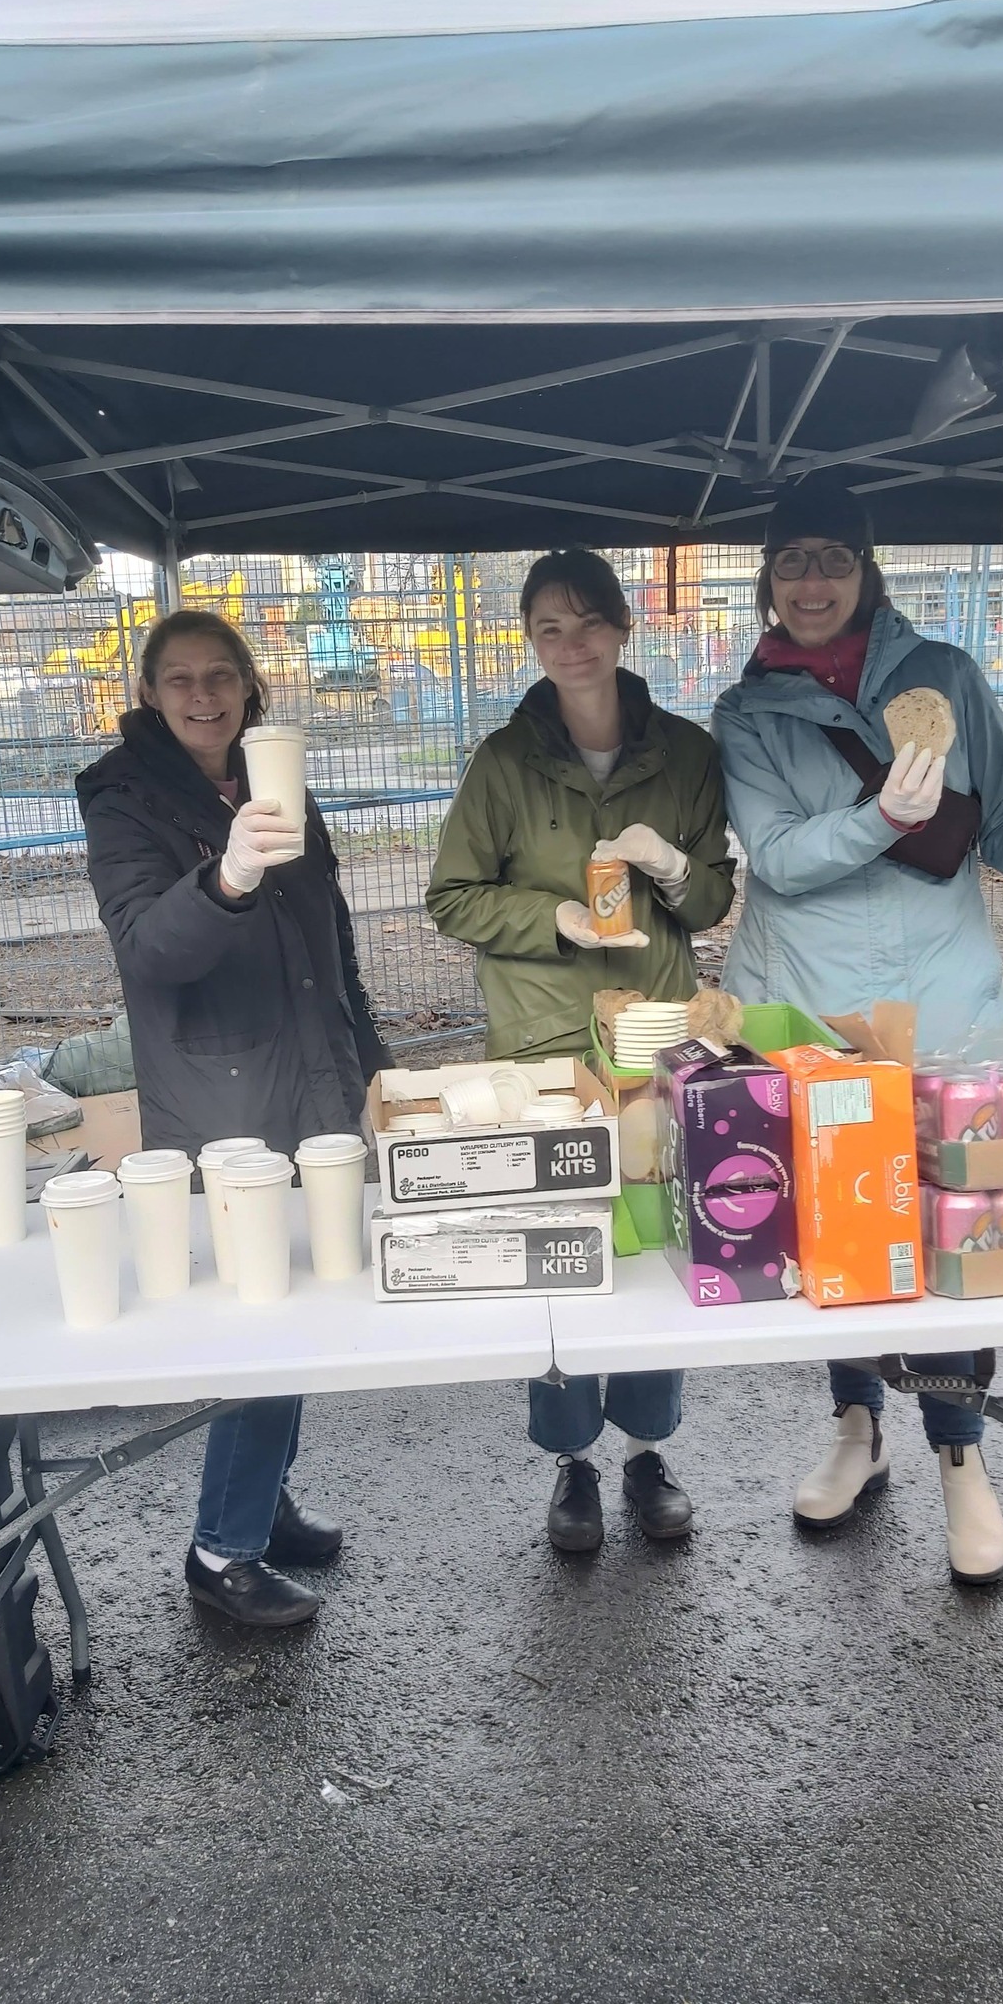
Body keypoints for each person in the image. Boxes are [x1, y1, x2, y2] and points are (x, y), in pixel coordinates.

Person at [712, 476, 1003, 1586]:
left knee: (944, 1236)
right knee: (839, 1231)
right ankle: (854, 1423)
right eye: (792, 559)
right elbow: (780, 856)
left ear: (867, 568)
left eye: (832, 558)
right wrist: (879, 814)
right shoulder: (747, 711)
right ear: (768, 575)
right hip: (808, 999)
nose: (812, 582)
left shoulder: (946, 673)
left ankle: (960, 1458)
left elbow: (996, 831)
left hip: (939, 999)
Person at [77, 610, 388, 1629]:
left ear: (251, 689)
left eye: (221, 676)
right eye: (180, 680)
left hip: (310, 1078)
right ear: (153, 694)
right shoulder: (124, 799)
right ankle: (221, 1546)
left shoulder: (275, 783)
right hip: (223, 1095)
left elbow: (332, 950)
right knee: (260, 1315)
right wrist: (226, 878)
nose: (203, 695)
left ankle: (263, 1498)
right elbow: (148, 953)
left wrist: (372, 1069)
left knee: (295, 1306)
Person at [426, 550, 735, 1555]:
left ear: (623, 626)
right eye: (550, 627)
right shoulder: (501, 764)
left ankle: (646, 1448)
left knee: (652, 1241)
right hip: (544, 1043)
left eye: (589, 621)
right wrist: (554, 914)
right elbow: (452, 896)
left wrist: (675, 866)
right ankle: (573, 1460)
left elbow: (713, 899)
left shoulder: (687, 753)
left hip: (654, 1034)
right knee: (562, 1252)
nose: (573, 644)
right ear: (530, 639)